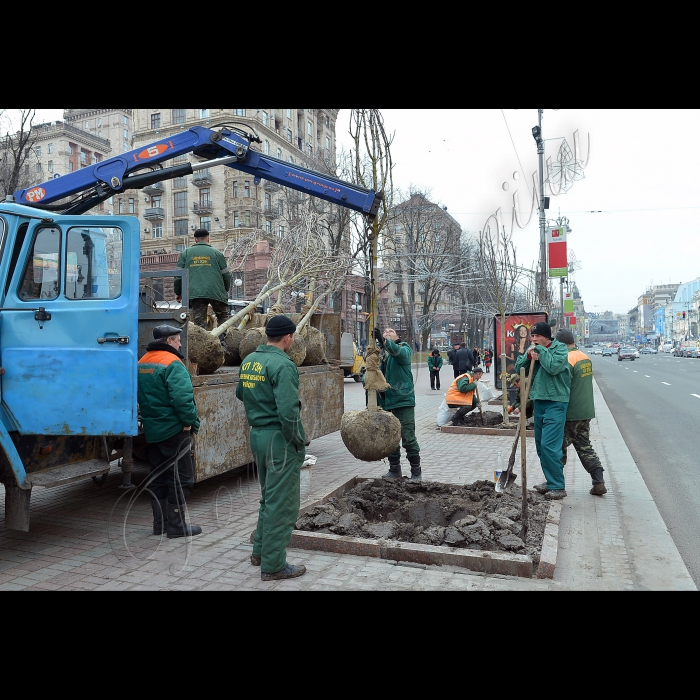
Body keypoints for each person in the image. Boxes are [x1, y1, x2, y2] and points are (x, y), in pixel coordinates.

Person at [235, 315, 308, 581]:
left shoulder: (249, 360)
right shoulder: (283, 365)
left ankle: (260, 553)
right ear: (288, 338)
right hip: (280, 440)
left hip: (258, 437)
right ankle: (274, 565)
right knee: (283, 503)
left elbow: (241, 394)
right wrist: (298, 440)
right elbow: (289, 412)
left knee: (268, 498)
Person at [137, 324, 202, 539]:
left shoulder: (142, 362)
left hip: (153, 430)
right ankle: (176, 526)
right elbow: (183, 400)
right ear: (168, 342)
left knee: (159, 476)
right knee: (183, 479)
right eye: (177, 339)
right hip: (174, 431)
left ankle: (160, 524)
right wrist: (190, 422)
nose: (180, 343)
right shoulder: (173, 363)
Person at [514, 321, 570, 500]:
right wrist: (528, 357)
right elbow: (518, 368)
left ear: (547, 337)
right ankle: (550, 480)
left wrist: (541, 351)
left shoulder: (560, 349)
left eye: (537, 336)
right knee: (540, 446)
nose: (534, 339)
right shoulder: (534, 349)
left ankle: (558, 486)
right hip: (539, 401)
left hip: (556, 402)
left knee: (550, 446)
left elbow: (553, 367)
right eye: (533, 336)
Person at [555, 328, 607, 496]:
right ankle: (598, 481)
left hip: (571, 412)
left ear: (561, 344)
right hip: (586, 411)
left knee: (557, 446)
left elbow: (563, 386)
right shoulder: (584, 357)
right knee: (584, 445)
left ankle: (555, 483)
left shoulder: (567, 358)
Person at [373, 327, 422, 482]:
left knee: (408, 437)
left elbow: (401, 356)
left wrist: (384, 341)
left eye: (390, 331)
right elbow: (371, 375)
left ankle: (416, 471)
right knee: (391, 438)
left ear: (397, 336)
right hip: (387, 402)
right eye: (385, 332)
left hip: (403, 401)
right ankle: (395, 469)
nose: (386, 332)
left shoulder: (404, 348)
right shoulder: (380, 355)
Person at [174, 228, 232, 341]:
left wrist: (178, 292)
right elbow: (227, 275)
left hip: (196, 293)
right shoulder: (217, 253)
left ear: (195, 239)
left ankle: (204, 344)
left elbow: (178, 276)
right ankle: (222, 340)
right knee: (223, 316)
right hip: (216, 291)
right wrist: (225, 289)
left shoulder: (185, 253)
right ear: (208, 238)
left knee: (200, 322)